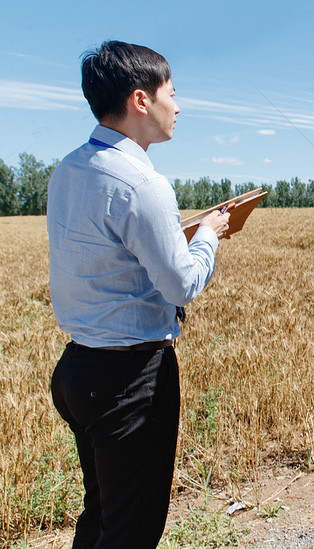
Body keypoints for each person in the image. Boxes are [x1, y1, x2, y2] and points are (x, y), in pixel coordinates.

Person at [47, 40, 230, 548]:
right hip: (130, 381)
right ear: (140, 100)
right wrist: (210, 234)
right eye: (172, 92)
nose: (179, 105)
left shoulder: (68, 169)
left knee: (102, 514)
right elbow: (182, 284)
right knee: (132, 531)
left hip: (78, 370)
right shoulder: (141, 183)